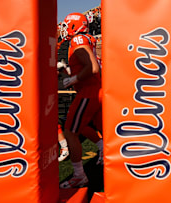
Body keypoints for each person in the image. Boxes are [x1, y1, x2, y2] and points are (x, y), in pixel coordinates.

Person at [59, 12, 102, 188]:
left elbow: (91, 68)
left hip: (88, 91)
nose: (64, 28)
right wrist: (66, 73)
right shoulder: (84, 39)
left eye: (67, 24)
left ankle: (79, 175)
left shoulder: (77, 40)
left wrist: (72, 80)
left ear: (75, 26)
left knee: (69, 131)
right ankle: (104, 149)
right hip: (92, 90)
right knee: (83, 126)